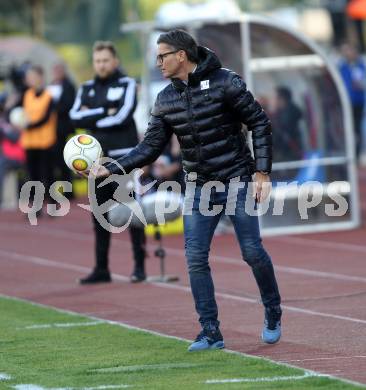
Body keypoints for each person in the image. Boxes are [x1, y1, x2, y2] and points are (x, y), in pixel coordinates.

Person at [91, 30, 282, 350]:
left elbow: (259, 122)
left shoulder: (227, 82)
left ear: (182, 55)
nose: (158, 62)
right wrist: (109, 169)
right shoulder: (165, 98)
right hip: (198, 185)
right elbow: (149, 147)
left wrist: (262, 172)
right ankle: (210, 331)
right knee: (195, 257)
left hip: (237, 178)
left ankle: (273, 311)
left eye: (162, 55)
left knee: (251, 251)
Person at [69, 41, 147, 284]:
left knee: (132, 212)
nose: (101, 65)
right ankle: (102, 269)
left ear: (115, 61)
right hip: (96, 160)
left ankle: (139, 267)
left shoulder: (127, 84)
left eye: (105, 60)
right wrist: (106, 111)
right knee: (99, 214)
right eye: (98, 61)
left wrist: (93, 115)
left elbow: (123, 116)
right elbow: (74, 116)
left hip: (124, 158)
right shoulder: (87, 87)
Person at [21, 65, 57, 216]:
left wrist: (29, 125)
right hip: (30, 142)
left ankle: (53, 205)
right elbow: (21, 113)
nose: (30, 79)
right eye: (29, 77)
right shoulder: (27, 94)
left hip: (45, 141)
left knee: (48, 175)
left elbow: (45, 118)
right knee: (33, 176)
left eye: (32, 76)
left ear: (40, 77)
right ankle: (36, 208)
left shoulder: (48, 96)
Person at [49, 63, 76, 196]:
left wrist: (54, 109)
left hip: (63, 129)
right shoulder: (50, 86)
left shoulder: (69, 86)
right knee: (55, 161)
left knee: (66, 160)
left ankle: (68, 191)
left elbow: (69, 105)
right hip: (51, 130)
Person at [338, 43, 366, 160]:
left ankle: (356, 154)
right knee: (349, 129)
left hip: (358, 102)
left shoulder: (361, 66)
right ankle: (349, 153)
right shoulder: (341, 67)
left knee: (357, 129)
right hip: (345, 103)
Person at [272, 86, 303, 163]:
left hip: (289, 151)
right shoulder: (282, 111)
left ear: (282, 99)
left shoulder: (290, 113)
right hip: (287, 149)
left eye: (276, 98)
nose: (274, 100)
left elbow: (283, 131)